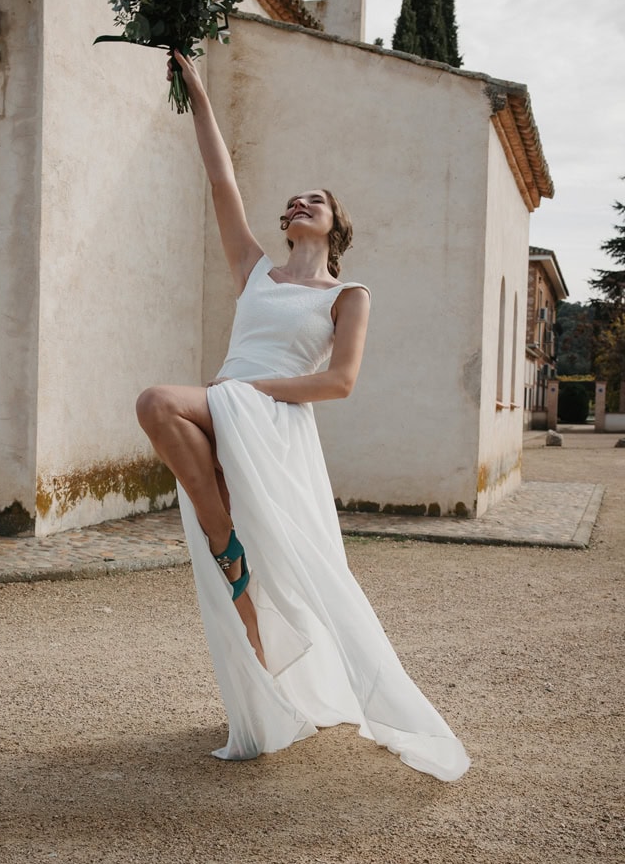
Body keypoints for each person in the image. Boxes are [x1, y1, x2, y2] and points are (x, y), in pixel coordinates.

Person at [137, 51, 470, 781]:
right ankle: (240, 576)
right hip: (229, 407)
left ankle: (249, 583)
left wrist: (255, 395)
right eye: (290, 201)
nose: (296, 204)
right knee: (162, 407)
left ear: (334, 225)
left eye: (311, 200)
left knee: (159, 401)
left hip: (271, 421)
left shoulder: (347, 296)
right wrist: (197, 90)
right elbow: (222, 180)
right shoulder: (254, 268)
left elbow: (340, 382)